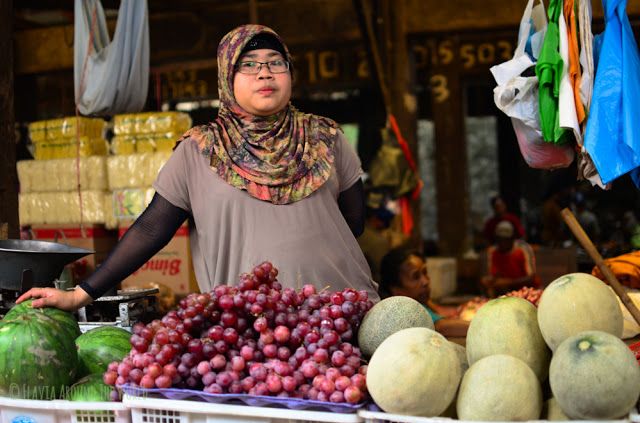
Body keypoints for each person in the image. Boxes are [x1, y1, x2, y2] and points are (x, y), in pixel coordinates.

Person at [18, 24, 379, 311]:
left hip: (342, 312)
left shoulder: (327, 137)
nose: (264, 73)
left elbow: (354, 223)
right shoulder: (200, 150)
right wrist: (81, 294)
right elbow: (150, 230)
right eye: (248, 65)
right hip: (252, 327)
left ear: (290, 73)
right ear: (226, 77)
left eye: (275, 62)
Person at [379, 247, 469, 338]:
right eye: (415, 277)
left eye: (425, 272)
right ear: (397, 290)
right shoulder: (408, 311)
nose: (425, 281)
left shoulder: (420, 300)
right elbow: (441, 327)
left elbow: (439, 310)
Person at [481, 220, 539, 297]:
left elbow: (531, 278)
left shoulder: (523, 249)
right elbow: (491, 276)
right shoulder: (492, 252)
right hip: (503, 294)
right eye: (500, 239)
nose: (503, 242)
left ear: (512, 238)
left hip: (526, 293)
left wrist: (508, 282)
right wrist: (488, 280)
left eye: (506, 239)